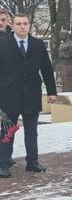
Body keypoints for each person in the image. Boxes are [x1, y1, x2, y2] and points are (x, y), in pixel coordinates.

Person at [0, 13, 57, 178]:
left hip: (32, 95)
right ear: (13, 25)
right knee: (7, 131)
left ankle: (32, 162)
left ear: (29, 25)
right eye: (18, 24)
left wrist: (52, 91)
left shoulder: (37, 44)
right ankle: (3, 164)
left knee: (32, 131)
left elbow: (46, 68)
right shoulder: (3, 44)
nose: (22, 26)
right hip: (8, 96)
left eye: (25, 23)